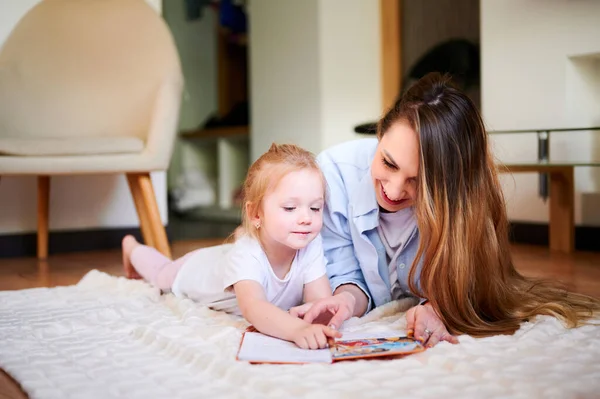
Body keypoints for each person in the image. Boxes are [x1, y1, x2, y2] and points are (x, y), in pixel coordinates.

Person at [295, 72, 600, 347]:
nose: (394, 189)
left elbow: (463, 282)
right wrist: (345, 301)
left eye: (419, 181)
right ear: (380, 133)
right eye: (388, 163)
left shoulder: (465, 200)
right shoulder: (332, 174)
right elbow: (346, 273)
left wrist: (436, 309)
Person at [122, 143, 341, 349]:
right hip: (196, 269)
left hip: (230, 258)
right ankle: (131, 247)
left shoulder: (311, 243)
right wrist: (297, 329)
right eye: (291, 208)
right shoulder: (247, 253)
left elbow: (319, 299)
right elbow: (253, 306)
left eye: (315, 208)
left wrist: (318, 317)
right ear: (256, 214)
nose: (306, 218)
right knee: (160, 274)